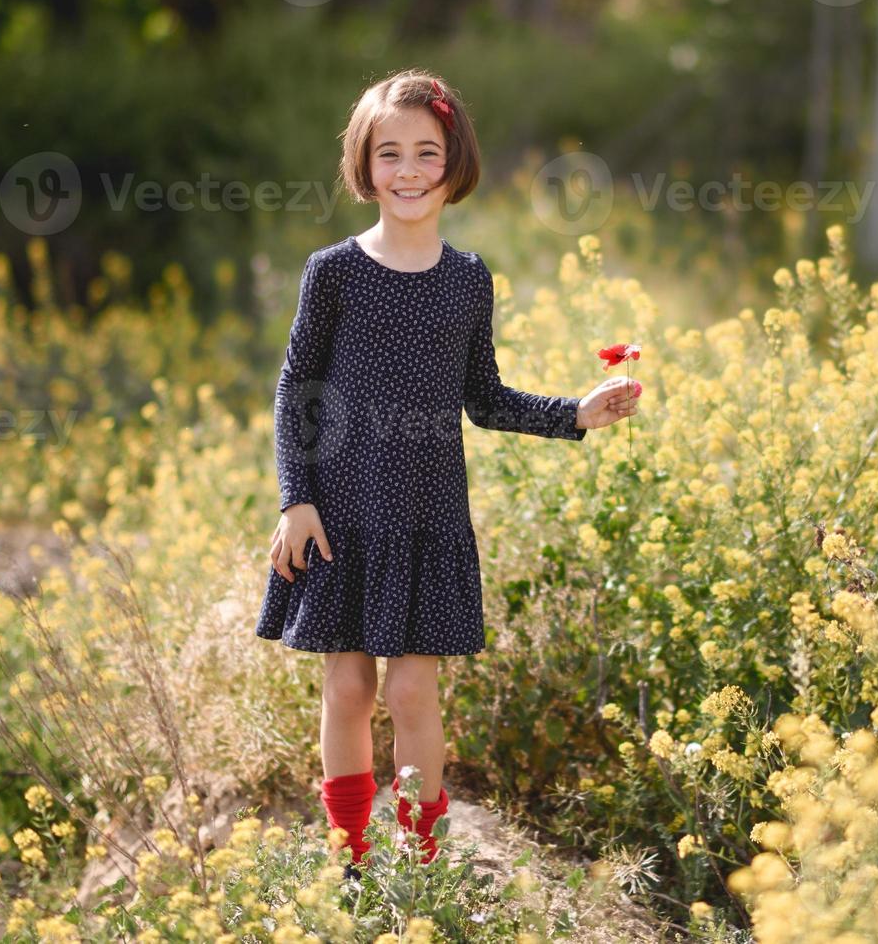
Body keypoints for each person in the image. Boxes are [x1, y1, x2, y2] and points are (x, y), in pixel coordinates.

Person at [254, 68, 641, 874]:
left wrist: (574, 412)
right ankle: (349, 857)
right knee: (351, 690)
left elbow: (485, 398)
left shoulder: (467, 279)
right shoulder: (334, 271)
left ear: (452, 164)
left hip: (426, 516)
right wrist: (296, 499)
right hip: (340, 512)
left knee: (410, 694)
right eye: (387, 153)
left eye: (425, 153)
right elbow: (297, 387)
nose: (406, 170)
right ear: (364, 166)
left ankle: (420, 862)